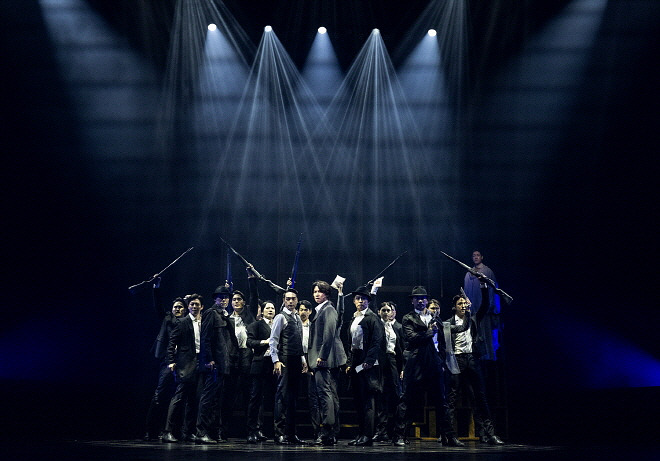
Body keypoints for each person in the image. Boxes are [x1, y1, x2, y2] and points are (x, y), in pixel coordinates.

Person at [392, 286, 463, 447]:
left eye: (423, 298)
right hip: (415, 364)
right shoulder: (408, 318)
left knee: (441, 401)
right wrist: (430, 332)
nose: (421, 301)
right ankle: (399, 435)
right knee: (407, 400)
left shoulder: (435, 318)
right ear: (412, 301)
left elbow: (443, 342)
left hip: (433, 363)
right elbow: (411, 338)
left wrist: (441, 360)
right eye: (417, 298)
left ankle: (448, 436)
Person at [447, 282, 504, 445]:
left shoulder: (472, 319)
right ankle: (449, 435)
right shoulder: (449, 323)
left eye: (464, 303)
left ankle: (488, 433)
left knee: (480, 397)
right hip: (457, 360)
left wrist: (483, 286)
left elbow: (485, 306)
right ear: (454, 307)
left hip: (472, 359)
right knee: (452, 398)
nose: (463, 306)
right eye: (460, 304)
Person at [144, 277, 186, 441]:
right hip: (167, 361)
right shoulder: (167, 319)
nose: (177, 309)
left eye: (180, 307)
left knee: (177, 397)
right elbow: (158, 306)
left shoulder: (186, 323)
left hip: (182, 362)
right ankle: (150, 430)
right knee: (160, 394)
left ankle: (170, 430)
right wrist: (156, 287)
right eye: (175, 307)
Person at [194, 285, 237, 443]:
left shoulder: (224, 315)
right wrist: (208, 359)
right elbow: (205, 338)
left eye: (226, 297)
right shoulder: (211, 313)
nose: (224, 300)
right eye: (221, 297)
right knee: (208, 398)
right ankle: (201, 432)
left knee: (216, 399)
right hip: (214, 363)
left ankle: (211, 432)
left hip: (222, 363)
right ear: (215, 299)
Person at [308, 280, 347, 445]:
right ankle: (330, 432)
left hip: (324, 360)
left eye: (320, 291)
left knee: (325, 394)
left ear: (327, 294)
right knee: (327, 394)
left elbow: (329, 334)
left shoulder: (328, 309)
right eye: (315, 291)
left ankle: (328, 431)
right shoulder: (321, 310)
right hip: (321, 359)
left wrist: (322, 356)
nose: (317, 294)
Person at [345, 286, 385, 446]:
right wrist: (350, 363)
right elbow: (351, 344)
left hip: (368, 362)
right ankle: (361, 433)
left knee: (368, 399)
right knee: (359, 399)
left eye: (363, 299)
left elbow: (376, 341)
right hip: (357, 361)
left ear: (368, 301)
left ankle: (367, 435)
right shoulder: (354, 318)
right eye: (358, 299)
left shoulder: (372, 318)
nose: (360, 301)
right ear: (354, 301)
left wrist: (368, 360)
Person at [161, 294, 204, 443]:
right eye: (192, 304)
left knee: (194, 399)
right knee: (178, 397)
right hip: (185, 363)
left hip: (200, 362)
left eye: (197, 304)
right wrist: (171, 361)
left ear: (201, 306)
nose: (194, 306)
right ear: (188, 306)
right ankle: (167, 431)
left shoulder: (203, 322)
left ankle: (188, 431)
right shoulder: (182, 322)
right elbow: (171, 343)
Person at [269, 288, 307, 445]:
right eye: (288, 299)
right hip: (284, 359)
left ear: (297, 300)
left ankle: (291, 433)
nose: (291, 301)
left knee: (293, 398)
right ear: (284, 301)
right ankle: (279, 433)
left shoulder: (297, 317)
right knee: (282, 396)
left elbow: (299, 341)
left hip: (296, 359)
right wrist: (275, 360)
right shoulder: (280, 317)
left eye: (293, 299)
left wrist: (303, 359)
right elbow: (273, 340)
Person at [245, 300, 277, 443]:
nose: (270, 310)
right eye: (267, 308)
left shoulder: (278, 325)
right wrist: (265, 341)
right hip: (260, 364)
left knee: (273, 398)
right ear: (262, 311)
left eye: (272, 308)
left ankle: (268, 430)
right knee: (255, 398)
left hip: (274, 365)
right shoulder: (256, 325)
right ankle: (252, 430)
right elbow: (249, 342)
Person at [373, 301, 404, 442]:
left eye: (388, 310)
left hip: (392, 361)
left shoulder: (397, 327)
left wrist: (403, 368)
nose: (386, 313)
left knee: (397, 396)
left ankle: (398, 432)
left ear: (393, 312)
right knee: (380, 396)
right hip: (379, 362)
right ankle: (381, 431)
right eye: (383, 310)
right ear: (379, 312)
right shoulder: (377, 325)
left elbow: (402, 349)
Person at [463, 250, 500, 361]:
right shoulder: (468, 273)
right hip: (473, 311)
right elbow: (466, 292)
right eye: (474, 255)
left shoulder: (487, 271)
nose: (476, 257)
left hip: (485, 310)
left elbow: (493, 290)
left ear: (482, 257)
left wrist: (491, 306)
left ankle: (489, 358)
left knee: (486, 334)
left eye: (478, 255)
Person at [298, 300, 320, 438]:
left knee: (313, 398)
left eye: (306, 309)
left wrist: (311, 365)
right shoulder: (294, 325)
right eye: (301, 309)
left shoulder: (314, 326)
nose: (303, 312)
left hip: (310, 360)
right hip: (296, 359)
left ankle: (317, 430)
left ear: (310, 311)